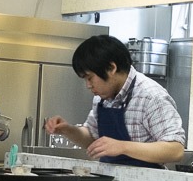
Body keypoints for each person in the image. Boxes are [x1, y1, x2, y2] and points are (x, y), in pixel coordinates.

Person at [45, 35, 185, 168]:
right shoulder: (102, 98)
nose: (88, 85)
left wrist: (122, 147)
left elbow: (175, 150)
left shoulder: (151, 97)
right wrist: (68, 130)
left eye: (90, 78)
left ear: (111, 68)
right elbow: (92, 138)